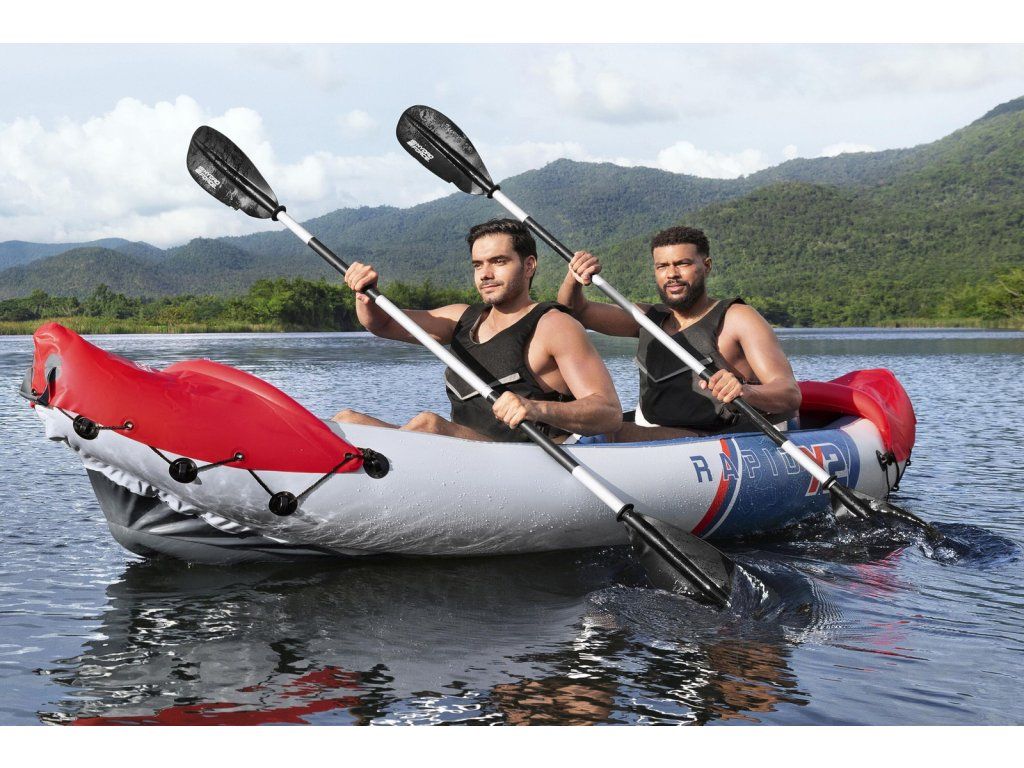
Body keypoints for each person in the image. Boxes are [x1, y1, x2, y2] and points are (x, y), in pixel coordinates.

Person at [333, 219, 622, 442]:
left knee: (428, 425)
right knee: (346, 420)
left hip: (528, 461)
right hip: (466, 455)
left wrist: (535, 408)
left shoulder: (555, 326)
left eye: (499, 261)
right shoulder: (460, 318)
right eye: (478, 265)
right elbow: (382, 323)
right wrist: (365, 294)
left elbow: (608, 413)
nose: (485, 274)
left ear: (529, 266)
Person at [556, 225, 801, 442]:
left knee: (601, 436)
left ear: (706, 266)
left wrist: (745, 391)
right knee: (579, 430)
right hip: (665, 433)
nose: (672, 274)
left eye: (682, 264)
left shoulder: (738, 318)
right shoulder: (646, 318)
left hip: (722, 436)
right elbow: (573, 311)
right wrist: (574, 278)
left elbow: (789, 393)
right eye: (662, 266)